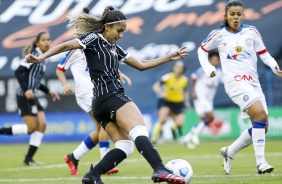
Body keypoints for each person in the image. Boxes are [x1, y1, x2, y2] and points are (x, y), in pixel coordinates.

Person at [25, 6, 188, 184]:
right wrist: (41, 58)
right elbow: (66, 45)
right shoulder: (94, 38)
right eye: (119, 30)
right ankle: (159, 169)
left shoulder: (114, 48)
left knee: (125, 146)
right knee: (139, 130)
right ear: (107, 26)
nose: (121, 35)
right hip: (112, 96)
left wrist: (168, 57)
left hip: (100, 103)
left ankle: (92, 176)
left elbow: (141, 64)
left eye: (124, 31)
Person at [197, 0, 282, 175]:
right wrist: (209, 68)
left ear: (243, 15)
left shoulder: (252, 32)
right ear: (225, 16)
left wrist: (275, 68)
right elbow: (202, 50)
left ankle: (230, 151)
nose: (235, 18)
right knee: (260, 114)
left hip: (253, 82)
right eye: (232, 14)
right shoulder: (218, 35)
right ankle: (261, 163)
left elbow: (264, 54)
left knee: (262, 126)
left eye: (239, 14)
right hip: (234, 83)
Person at [56, 8, 131, 176]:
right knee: (106, 126)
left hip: (99, 89)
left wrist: (119, 73)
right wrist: (64, 85)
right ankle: (106, 162)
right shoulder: (76, 49)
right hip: (86, 92)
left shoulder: (98, 44)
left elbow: (103, 64)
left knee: (102, 129)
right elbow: (60, 68)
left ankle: (73, 156)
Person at [0, 32, 60, 165]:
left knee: (42, 124)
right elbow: (18, 71)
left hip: (32, 95)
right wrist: (27, 90)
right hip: (24, 95)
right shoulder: (33, 55)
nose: (47, 42)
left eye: (48, 39)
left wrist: (49, 91)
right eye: (43, 40)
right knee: (32, 128)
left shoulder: (43, 58)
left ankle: (28, 159)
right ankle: (1, 131)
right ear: (37, 42)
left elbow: (36, 80)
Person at [180, 50, 223, 149]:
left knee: (205, 119)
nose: (215, 61)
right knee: (210, 116)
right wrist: (193, 91)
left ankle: (188, 137)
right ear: (210, 60)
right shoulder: (204, 69)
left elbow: (224, 82)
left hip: (209, 99)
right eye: (213, 59)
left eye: (217, 60)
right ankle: (194, 134)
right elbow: (193, 77)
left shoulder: (220, 72)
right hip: (200, 96)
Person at [151, 60, 190, 144]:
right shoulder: (167, 77)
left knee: (180, 123)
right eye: (177, 66)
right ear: (173, 68)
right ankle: (154, 139)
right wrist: (161, 93)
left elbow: (185, 91)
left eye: (181, 67)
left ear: (183, 69)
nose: (179, 68)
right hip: (167, 102)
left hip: (179, 104)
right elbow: (156, 86)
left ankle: (173, 129)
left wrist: (186, 101)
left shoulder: (184, 80)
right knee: (162, 120)